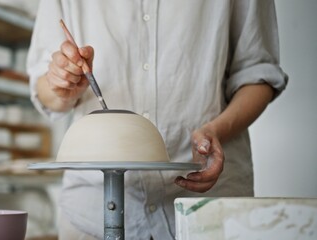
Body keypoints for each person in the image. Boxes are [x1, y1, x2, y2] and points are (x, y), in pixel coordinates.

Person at [27, 0, 288, 239]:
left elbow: (258, 74)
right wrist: (62, 85)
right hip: (91, 211)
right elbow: (43, 89)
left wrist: (216, 131)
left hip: (204, 208)